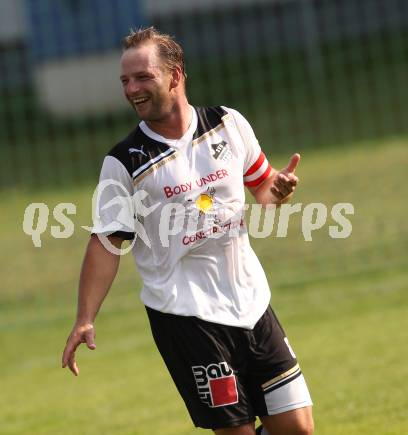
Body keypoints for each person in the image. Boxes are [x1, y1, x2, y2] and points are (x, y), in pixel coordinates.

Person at [62, 27, 314, 435]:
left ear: (175, 76)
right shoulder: (124, 162)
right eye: (125, 81)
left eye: (143, 77)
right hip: (186, 316)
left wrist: (279, 190)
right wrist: (84, 317)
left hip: (251, 301)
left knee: (298, 429)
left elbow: (265, 191)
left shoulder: (228, 124)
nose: (132, 89)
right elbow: (108, 243)